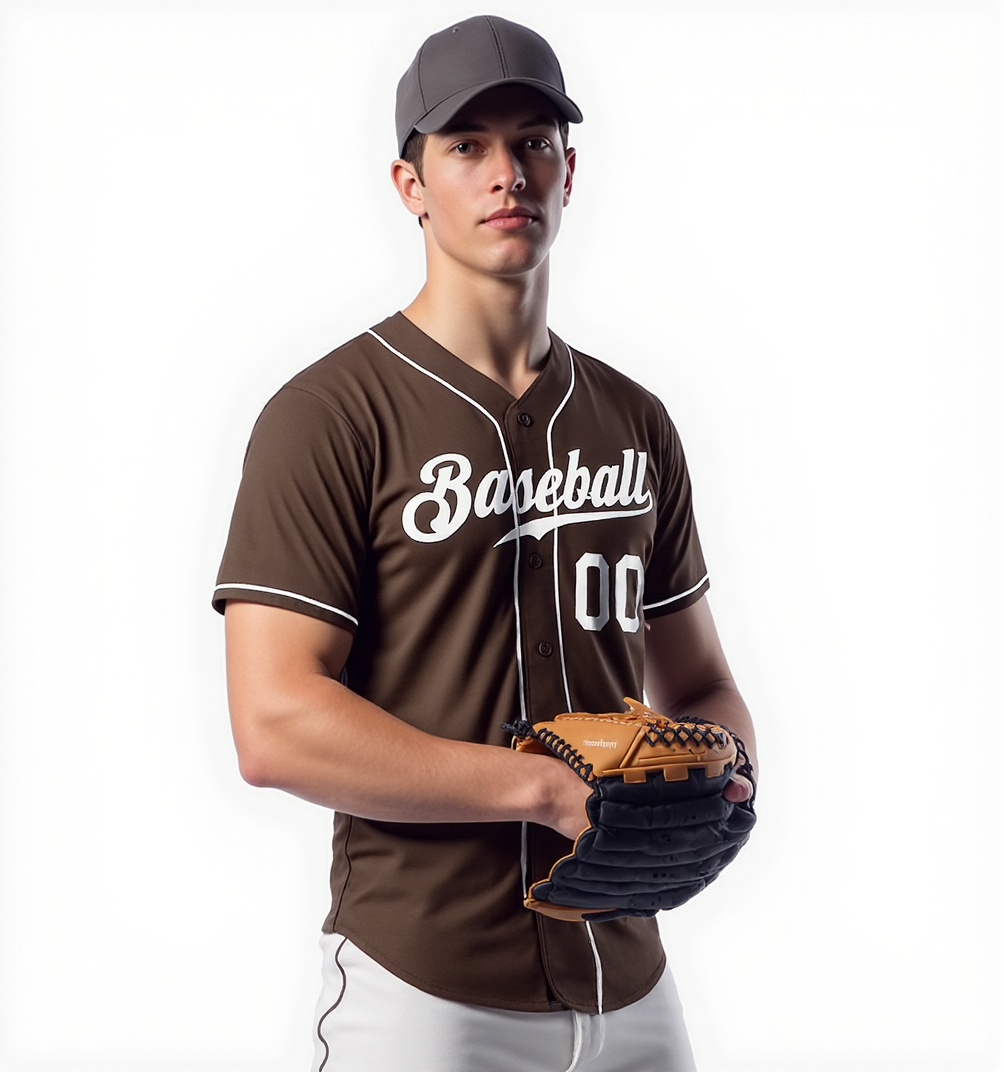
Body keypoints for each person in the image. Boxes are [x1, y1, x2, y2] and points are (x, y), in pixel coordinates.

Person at [213, 14, 757, 1072]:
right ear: (409, 184)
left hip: (632, 982)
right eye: (464, 145)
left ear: (569, 168)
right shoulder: (330, 414)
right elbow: (273, 721)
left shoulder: (633, 420)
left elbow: (698, 680)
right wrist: (541, 787)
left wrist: (729, 772)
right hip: (426, 997)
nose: (505, 171)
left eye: (531, 141)